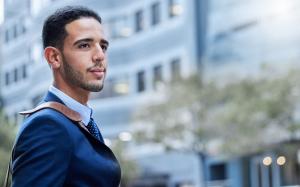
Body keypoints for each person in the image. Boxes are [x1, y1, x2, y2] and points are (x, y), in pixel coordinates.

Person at [11, 6, 121, 187]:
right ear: (54, 57)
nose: (100, 55)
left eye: (103, 46)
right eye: (84, 45)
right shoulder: (47, 126)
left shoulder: (82, 121)